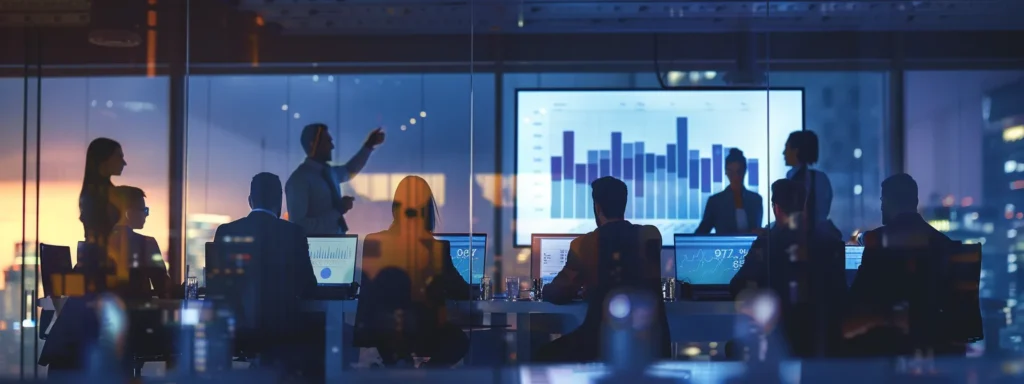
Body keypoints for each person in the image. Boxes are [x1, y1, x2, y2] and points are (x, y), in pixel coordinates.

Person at [536, 176, 668, 363]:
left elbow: (559, 292)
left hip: (599, 346)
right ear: (624, 204)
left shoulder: (583, 245)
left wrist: (546, 289)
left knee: (542, 356)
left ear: (597, 207)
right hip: (652, 345)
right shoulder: (651, 235)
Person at [354, 176, 470, 368]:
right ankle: (427, 374)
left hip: (382, 333)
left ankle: (404, 368)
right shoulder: (435, 248)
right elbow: (460, 290)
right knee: (459, 341)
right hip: (421, 333)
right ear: (427, 211)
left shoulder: (374, 241)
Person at [212, 173, 319, 377]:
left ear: (250, 201)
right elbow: (308, 286)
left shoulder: (226, 231)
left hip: (237, 329)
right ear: (279, 201)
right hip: (283, 330)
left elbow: (218, 286)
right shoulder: (293, 233)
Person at [729, 178, 847, 358]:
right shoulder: (829, 243)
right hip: (821, 343)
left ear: (776, 207)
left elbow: (738, 286)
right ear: (805, 205)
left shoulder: (767, 245)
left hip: (778, 338)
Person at [844, 173, 957, 356]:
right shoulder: (944, 243)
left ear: (888, 202)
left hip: (887, 349)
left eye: (882, 200)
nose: (880, 206)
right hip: (936, 350)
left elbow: (857, 300)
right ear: (915, 200)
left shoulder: (879, 243)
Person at [286, 123, 385, 235]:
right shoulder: (299, 180)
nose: (332, 147)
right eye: (327, 141)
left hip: (336, 245)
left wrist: (368, 146)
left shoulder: (329, 174)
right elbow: (299, 225)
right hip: (314, 250)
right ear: (313, 145)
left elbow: (350, 169)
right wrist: (338, 210)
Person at [107, 186, 170, 299]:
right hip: (139, 313)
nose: (147, 215)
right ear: (128, 213)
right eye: (144, 210)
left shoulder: (100, 243)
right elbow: (163, 287)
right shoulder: (146, 243)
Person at [696, 148, 764, 234]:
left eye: (738, 172)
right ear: (726, 172)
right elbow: (702, 232)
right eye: (731, 172)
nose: (735, 176)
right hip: (724, 247)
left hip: (752, 247)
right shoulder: (715, 202)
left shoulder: (756, 200)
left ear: (744, 171)